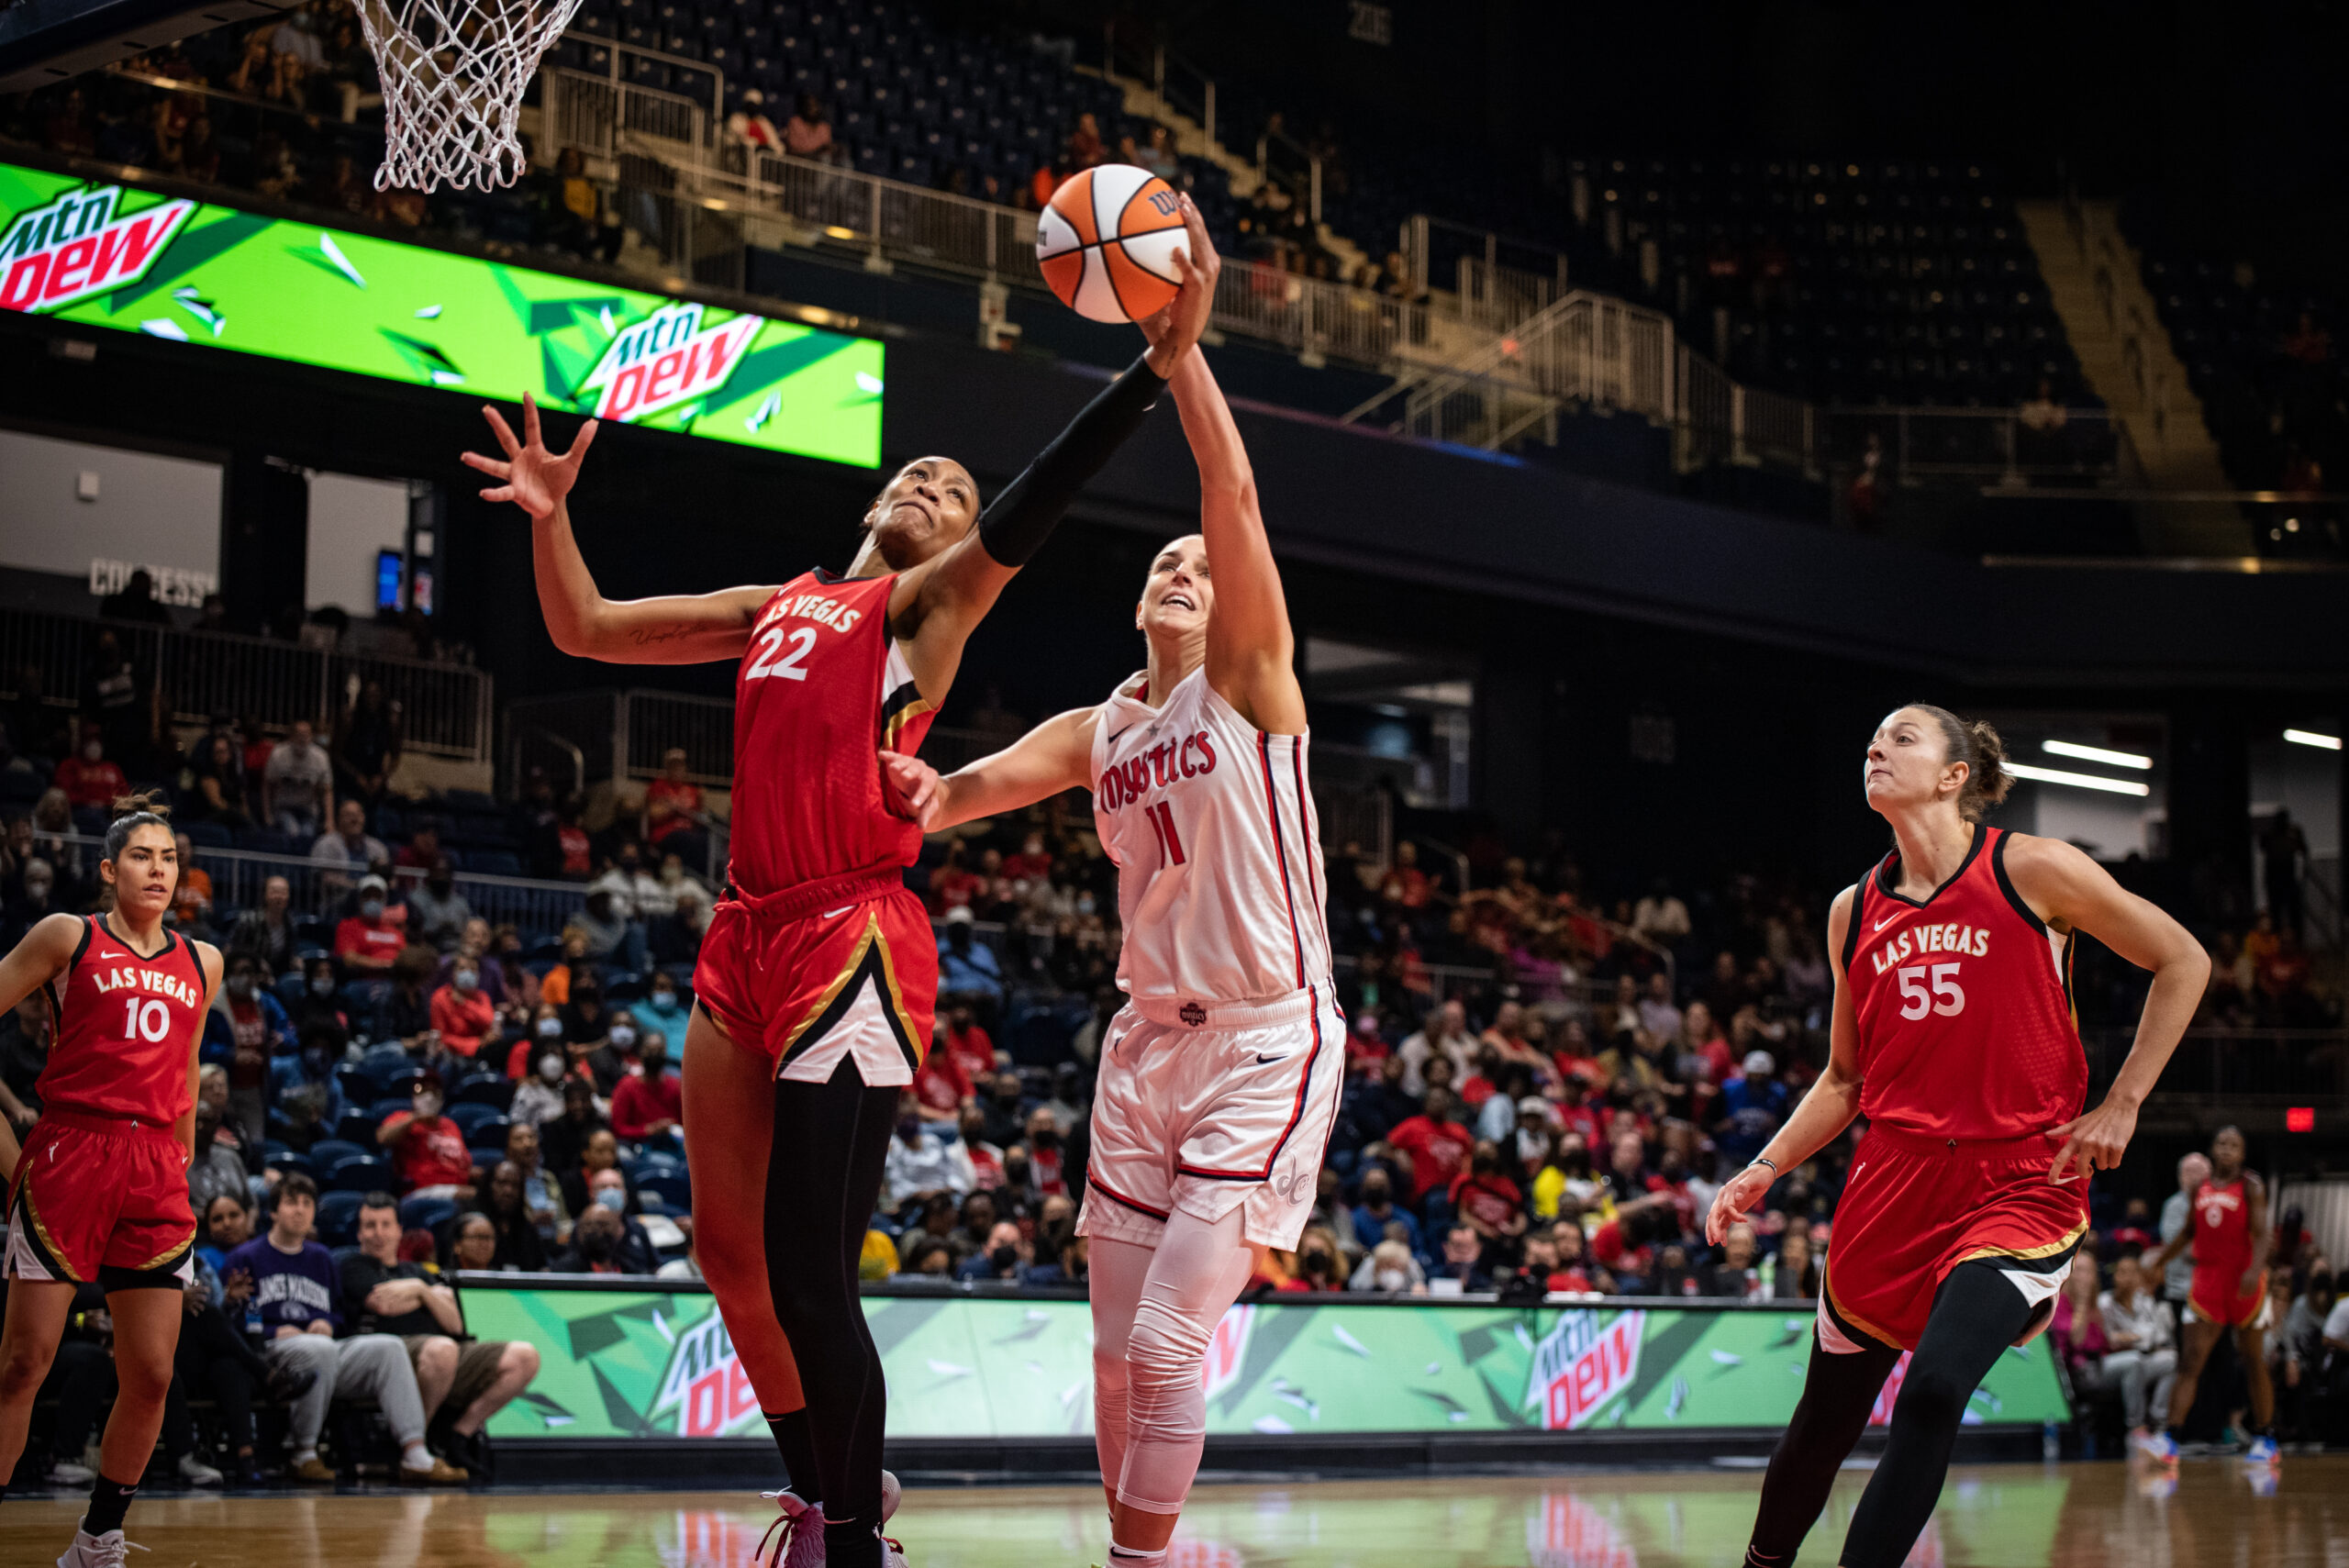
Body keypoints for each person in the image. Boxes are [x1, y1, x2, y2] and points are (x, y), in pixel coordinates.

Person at [463, 191, 1214, 1568]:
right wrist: (550, 516)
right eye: (917, 477)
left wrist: (1149, 374)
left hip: (853, 935)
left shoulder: (922, 613)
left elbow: (1035, 503)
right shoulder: (777, 606)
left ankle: (857, 1540)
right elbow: (581, 626)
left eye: (955, 491)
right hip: (742, 931)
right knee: (729, 1257)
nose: (934, 488)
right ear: (876, 498)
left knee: (813, 1271)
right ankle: (820, 1496)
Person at [878, 212, 1340, 1568]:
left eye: (1198, 567)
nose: (1184, 568)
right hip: (1144, 1046)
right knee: (1107, 1349)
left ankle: (1141, 1563)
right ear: (1142, 602)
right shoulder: (1104, 728)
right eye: (1166, 563)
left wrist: (1178, 357)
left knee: (1164, 1337)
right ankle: (1125, 1546)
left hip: (1264, 1034)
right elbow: (957, 793)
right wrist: (916, 790)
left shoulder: (1249, 684)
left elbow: (1233, 502)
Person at [1706, 706, 2207, 1568]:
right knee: (1823, 1425)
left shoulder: (2033, 868)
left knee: (1935, 1388)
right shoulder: (1850, 911)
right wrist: (1764, 1166)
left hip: (2020, 1179)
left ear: (1955, 775)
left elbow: (2183, 959)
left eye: (1901, 737)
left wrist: (2124, 1102)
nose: (1876, 747)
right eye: (1871, 738)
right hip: (1890, 1183)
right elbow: (1843, 1080)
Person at [0, 798, 224, 1567]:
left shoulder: (204, 960)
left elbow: (188, 1062)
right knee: (23, 1364)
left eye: (168, 857)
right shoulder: (69, 935)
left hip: (154, 1169)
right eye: (142, 856)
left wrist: (182, 1146)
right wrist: (10, 1147)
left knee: (155, 1373)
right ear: (109, 869)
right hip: (72, 1154)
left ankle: (97, 1540)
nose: (158, 869)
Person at [221, 1173, 466, 1485]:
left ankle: (414, 1451)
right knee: (320, 1349)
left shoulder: (322, 1258)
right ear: (273, 1211)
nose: (299, 1210)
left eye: (307, 1203)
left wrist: (328, 1323)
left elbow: (339, 1314)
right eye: (291, 1203)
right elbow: (233, 1319)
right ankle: (304, 1453)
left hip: (323, 1348)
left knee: (388, 1346)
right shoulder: (245, 1257)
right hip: (271, 1353)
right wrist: (273, 1331)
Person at [340, 1194, 540, 1477]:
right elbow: (382, 1304)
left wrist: (419, 1292)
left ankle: (457, 1437)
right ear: (359, 1232)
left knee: (524, 1357)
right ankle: (412, 1447)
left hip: (440, 1355)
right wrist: (427, 1294)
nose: (378, 1233)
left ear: (399, 1230)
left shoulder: (418, 1272)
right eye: (370, 1225)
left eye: (386, 1224)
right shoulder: (352, 1266)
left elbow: (455, 1323)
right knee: (442, 1348)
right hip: (389, 1355)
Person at [2144, 1125, 2278, 1464]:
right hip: (2207, 1281)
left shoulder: (2252, 1186)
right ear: (2213, 1149)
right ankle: (2170, 1438)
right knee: (2190, 1361)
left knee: (2252, 1360)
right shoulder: (2198, 1189)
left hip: (2244, 1280)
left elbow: (2262, 1235)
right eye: (2221, 1143)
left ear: (2243, 1153)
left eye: (2234, 1144)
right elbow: (2189, 1231)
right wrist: (2160, 1261)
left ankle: (2266, 1436)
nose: (2227, 1149)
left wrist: (2255, 1269)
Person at [2099, 1253, 2176, 1446]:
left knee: (2171, 1360)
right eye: (2120, 1272)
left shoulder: (2145, 1301)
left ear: (2138, 1277)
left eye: (2130, 1273)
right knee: (2134, 1361)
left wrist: (2128, 1338)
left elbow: (2153, 1338)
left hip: (2140, 1358)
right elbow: (2108, 1340)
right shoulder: (2105, 1301)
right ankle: (2136, 1428)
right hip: (2111, 1364)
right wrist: (2134, 1338)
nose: (2123, 1278)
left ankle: (2159, 1423)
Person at [262, 720, 333, 838]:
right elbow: (267, 785)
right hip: (284, 807)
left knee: (307, 834)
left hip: (308, 809)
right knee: (292, 831)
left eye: (306, 735)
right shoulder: (278, 754)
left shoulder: (321, 757)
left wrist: (330, 821)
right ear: (291, 736)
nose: (302, 738)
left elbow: (327, 790)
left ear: (311, 736)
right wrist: (267, 815)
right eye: (299, 735)